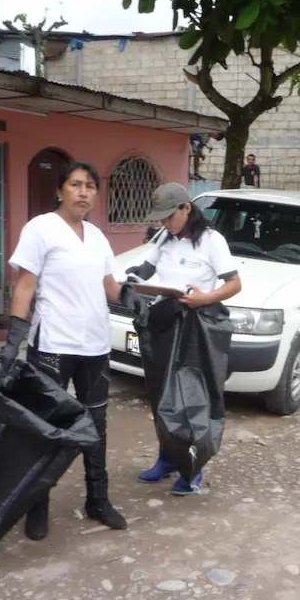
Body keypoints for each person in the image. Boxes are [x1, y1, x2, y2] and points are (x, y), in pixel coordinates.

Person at [0, 160, 139, 541]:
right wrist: (13, 340)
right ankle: (37, 505)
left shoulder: (97, 236)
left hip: (94, 345)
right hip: (53, 345)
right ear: (59, 190)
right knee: (46, 426)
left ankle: (98, 499)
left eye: (90, 186)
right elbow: (24, 286)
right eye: (75, 184)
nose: (83, 192)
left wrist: (129, 296)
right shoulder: (40, 228)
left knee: (95, 426)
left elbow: (108, 286)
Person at [128, 182, 242, 495]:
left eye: (169, 216)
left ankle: (192, 467)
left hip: (196, 328)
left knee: (192, 398)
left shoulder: (211, 240)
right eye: (161, 217)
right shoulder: (163, 237)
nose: (165, 222)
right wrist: (130, 281)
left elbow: (234, 284)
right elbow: (144, 270)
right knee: (163, 395)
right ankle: (166, 459)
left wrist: (204, 298)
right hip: (165, 323)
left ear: (186, 208)